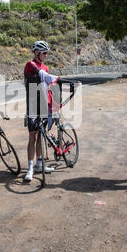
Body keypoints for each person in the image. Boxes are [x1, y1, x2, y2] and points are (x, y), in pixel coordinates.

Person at [23, 41, 78, 182]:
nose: (46, 55)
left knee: (42, 135)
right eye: (44, 53)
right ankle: (30, 168)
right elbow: (47, 78)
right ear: (36, 53)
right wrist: (65, 80)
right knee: (32, 136)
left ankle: (39, 164)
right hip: (33, 106)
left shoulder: (45, 67)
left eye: (47, 53)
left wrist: (61, 94)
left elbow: (49, 85)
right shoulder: (31, 65)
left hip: (44, 105)